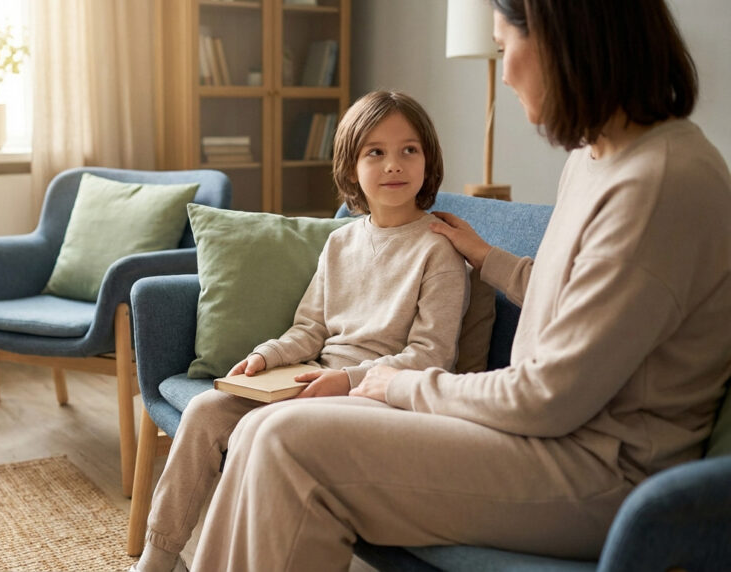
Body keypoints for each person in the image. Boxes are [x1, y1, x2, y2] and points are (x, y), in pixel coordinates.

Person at [189, 0, 731, 570]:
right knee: (262, 430)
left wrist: (393, 385)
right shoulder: (595, 157)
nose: (505, 72)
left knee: (286, 444)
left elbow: (546, 398)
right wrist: (489, 258)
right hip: (553, 438)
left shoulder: (658, 185)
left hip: (600, 470)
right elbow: (576, 301)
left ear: (563, 42)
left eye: (505, 49)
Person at [131, 91, 471, 572]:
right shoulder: (341, 241)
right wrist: (266, 358)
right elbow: (309, 328)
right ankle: (160, 555)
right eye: (375, 152)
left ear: (427, 160)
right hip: (315, 378)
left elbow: (431, 355)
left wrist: (349, 381)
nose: (393, 165)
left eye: (408, 150)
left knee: (255, 428)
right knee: (207, 409)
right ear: (351, 167)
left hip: (378, 394)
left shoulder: (439, 250)